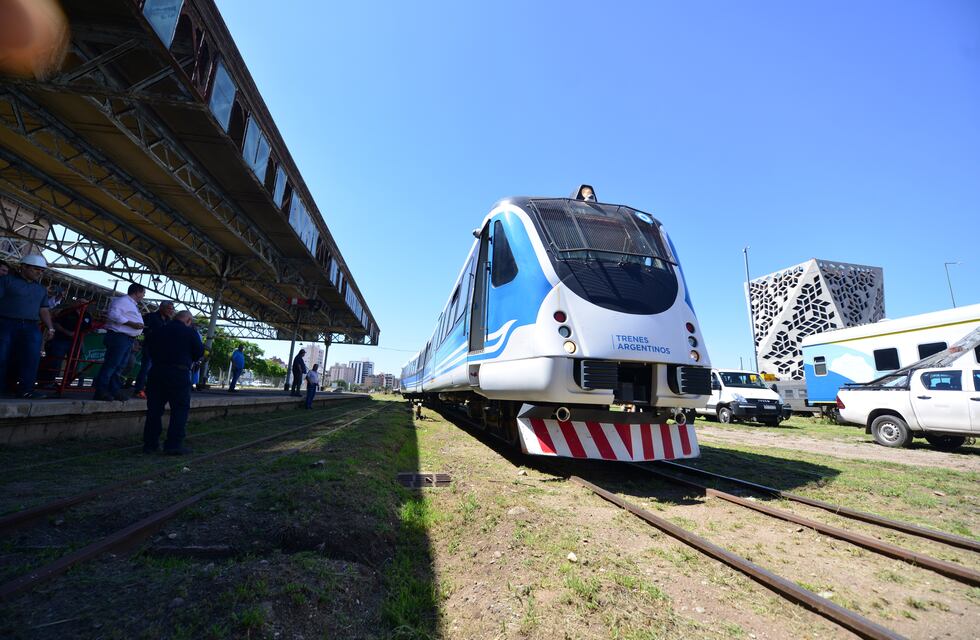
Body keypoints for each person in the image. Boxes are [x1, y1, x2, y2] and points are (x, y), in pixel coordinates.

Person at [143, 310, 204, 454]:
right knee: (179, 410)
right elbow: (199, 352)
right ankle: (173, 445)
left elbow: (148, 348)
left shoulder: (159, 330)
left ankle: (150, 444)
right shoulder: (190, 332)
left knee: (154, 410)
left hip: (157, 371)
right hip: (179, 373)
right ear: (188, 320)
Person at [0, 254, 56, 398]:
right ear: (23, 267)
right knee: (2, 355)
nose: (39, 273)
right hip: (5, 323)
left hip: (31, 326)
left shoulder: (41, 289)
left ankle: (26, 389)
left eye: (42, 270)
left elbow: (44, 309)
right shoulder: (6, 281)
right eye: (36, 269)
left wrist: (50, 327)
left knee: (31, 357)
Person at [94, 283, 145, 401]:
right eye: (143, 293)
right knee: (112, 364)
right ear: (137, 292)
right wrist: (131, 324)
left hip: (126, 338)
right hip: (118, 336)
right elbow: (113, 314)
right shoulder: (122, 301)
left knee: (120, 366)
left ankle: (114, 390)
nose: (143, 296)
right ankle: (101, 391)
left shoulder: (131, 304)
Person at [37, 297, 92, 386]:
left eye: (85, 303)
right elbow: (56, 324)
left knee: (74, 363)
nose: (82, 304)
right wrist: (66, 332)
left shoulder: (87, 316)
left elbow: (88, 328)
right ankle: (48, 382)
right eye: (80, 302)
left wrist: (81, 334)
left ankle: (67, 383)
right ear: (76, 302)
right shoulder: (66, 312)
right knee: (55, 361)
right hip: (61, 340)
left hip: (76, 342)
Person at [132, 301, 175, 399]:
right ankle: (139, 389)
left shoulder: (169, 321)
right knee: (146, 367)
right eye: (169, 308)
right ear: (161, 307)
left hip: (162, 349)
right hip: (150, 346)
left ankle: (150, 389)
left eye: (172, 309)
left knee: (156, 370)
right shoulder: (150, 316)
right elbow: (141, 330)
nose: (171, 311)